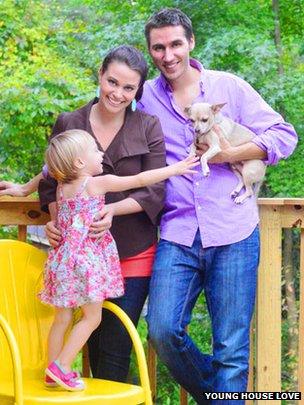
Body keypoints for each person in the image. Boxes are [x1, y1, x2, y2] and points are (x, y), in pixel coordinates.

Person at [137, 8, 298, 404]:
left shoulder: (230, 88)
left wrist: (229, 155)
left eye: (175, 44)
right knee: (161, 329)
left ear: (190, 43)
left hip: (233, 231)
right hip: (177, 231)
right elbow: (96, 129)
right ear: (151, 51)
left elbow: (284, 135)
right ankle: (225, 396)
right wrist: (44, 181)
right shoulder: (144, 98)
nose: (168, 54)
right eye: (159, 47)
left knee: (231, 347)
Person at [0, 45, 167, 384]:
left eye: (128, 87)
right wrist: (54, 219)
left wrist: (111, 210)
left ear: (138, 91)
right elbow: (52, 179)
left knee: (115, 345)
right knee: (84, 334)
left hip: (131, 252)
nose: (117, 93)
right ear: (100, 75)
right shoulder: (70, 122)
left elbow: (153, 190)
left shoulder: (148, 126)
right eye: (112, 82)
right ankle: (60, 373)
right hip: (77, 256)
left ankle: (65, 375)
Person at [40, 128, 198, 391]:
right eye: (94, 149)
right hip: (85, 262)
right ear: (79, 163)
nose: (100, 153)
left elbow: (45, 172)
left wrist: (25, 187)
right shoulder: (93, 184)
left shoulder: (61, 187)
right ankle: (62, 367)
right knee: (92, 318)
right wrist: (175, 169)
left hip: (62, 262)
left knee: (62, 319)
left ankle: (51, 369)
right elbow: (138, 179)